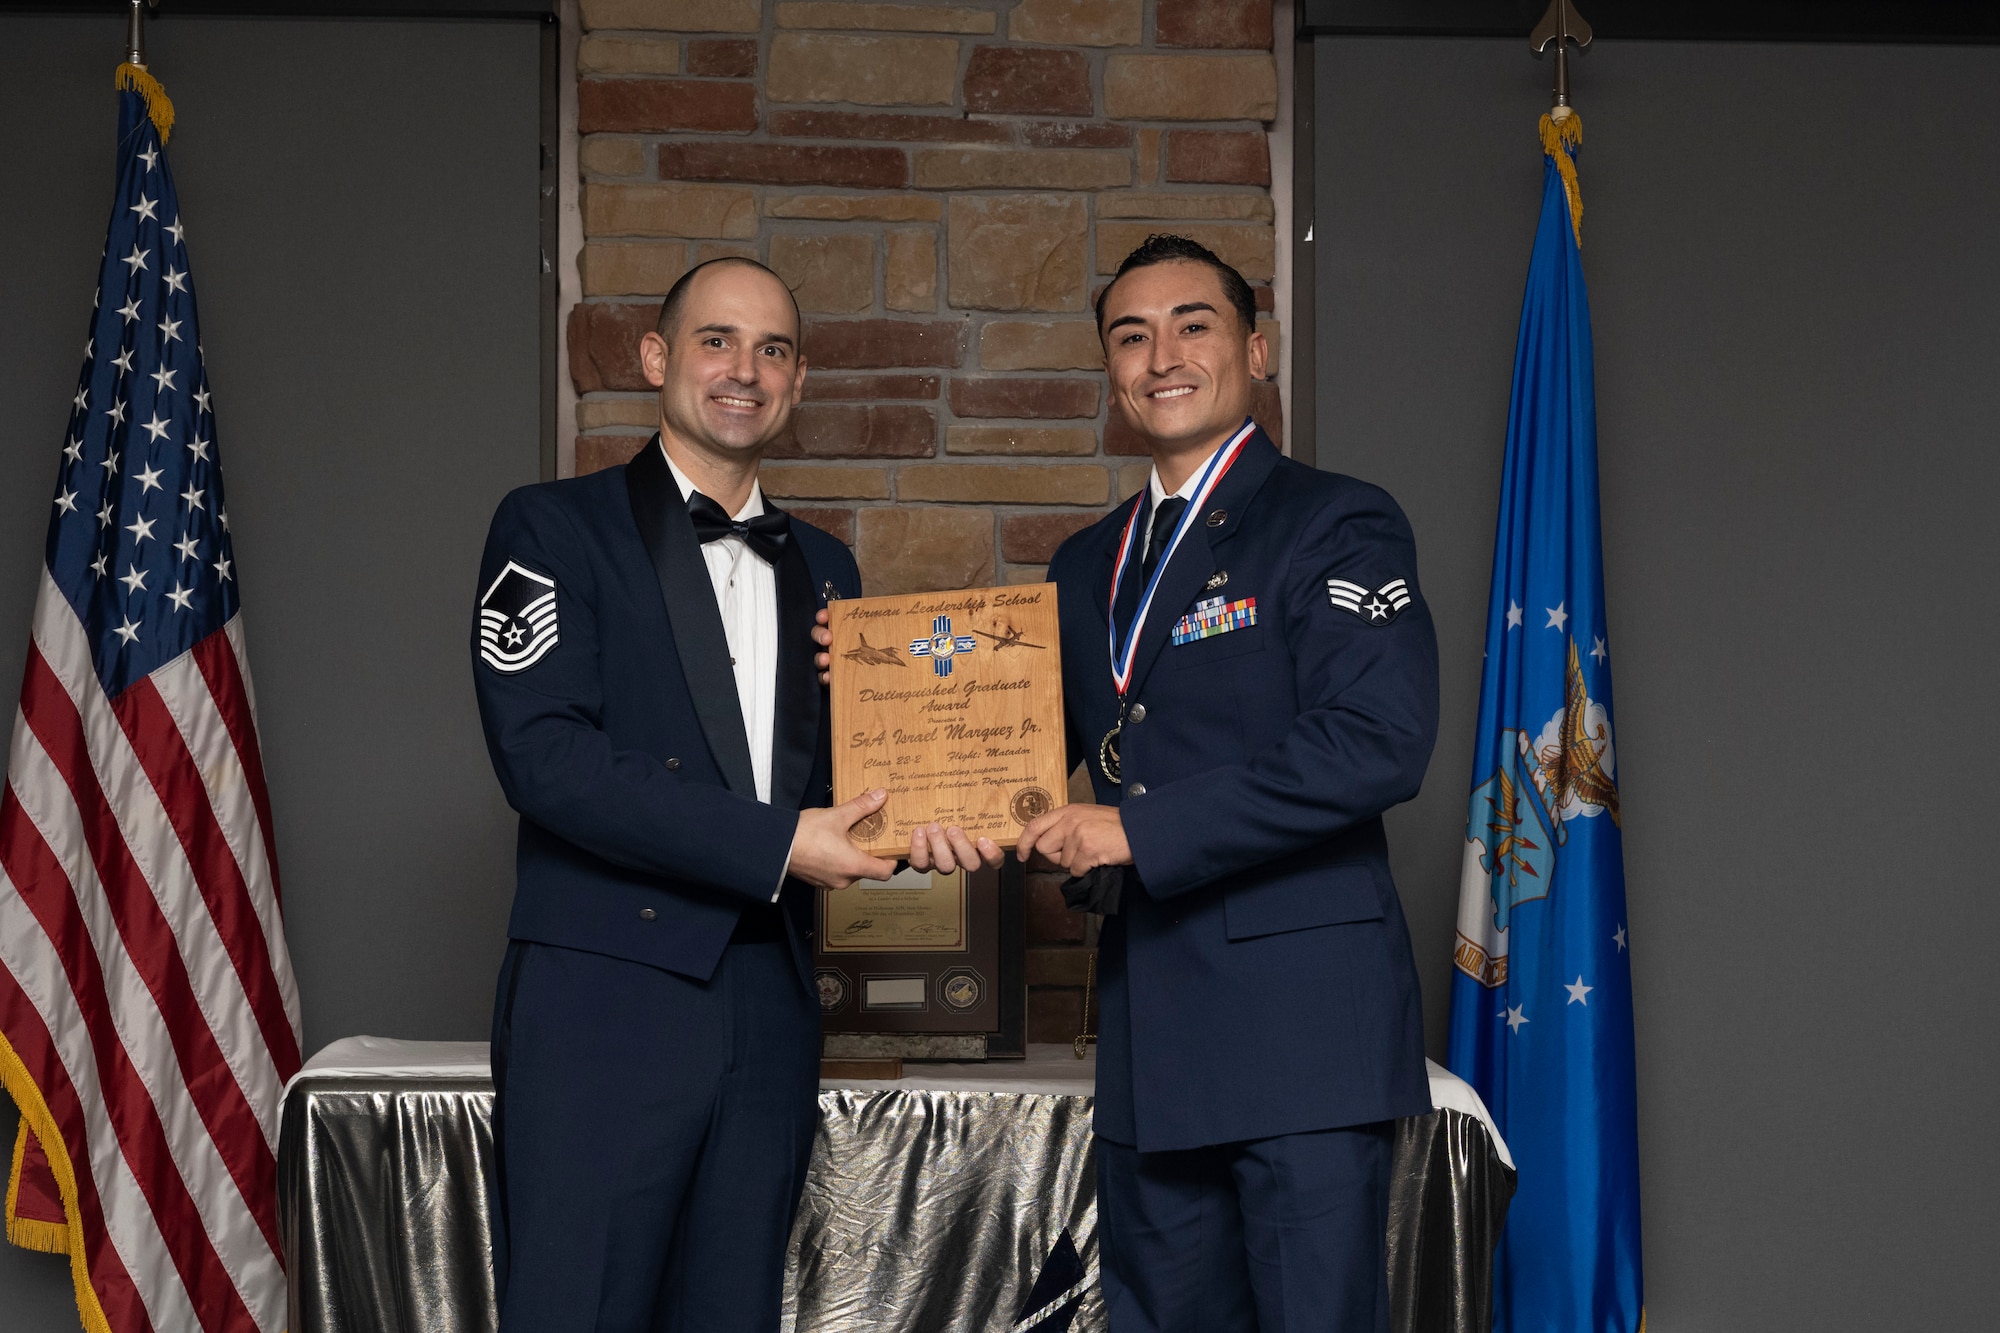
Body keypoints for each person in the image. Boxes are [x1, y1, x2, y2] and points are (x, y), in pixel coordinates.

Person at [471, 257, 920, 1332]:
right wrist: (781, 846)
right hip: (604, 1001)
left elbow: (841, 791)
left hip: (767, 1005)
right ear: (656, 358)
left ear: (799, 382)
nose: (744, 371)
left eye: (772, 350)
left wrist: (917, 791)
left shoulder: (827, 567)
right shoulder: (549, 527)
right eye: (716, 340)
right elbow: (545, 759)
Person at [1020, 234, 1440, 1331]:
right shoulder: (1081, 564)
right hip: (1151, 1034)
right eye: (1130, 334)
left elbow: (1374, 741)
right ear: (1110, 370)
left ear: (1254, 348)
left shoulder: (1334, 521)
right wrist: (865, 693)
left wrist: (1133, 832)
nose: (1160, 354)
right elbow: (1004, 755)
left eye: (1190, 325)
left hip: (1302, 1036)